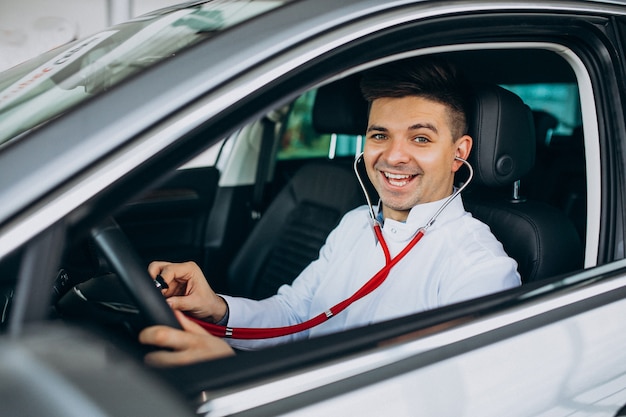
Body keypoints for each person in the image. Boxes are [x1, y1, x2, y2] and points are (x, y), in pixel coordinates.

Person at [138, 56, 521, 366]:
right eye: (379, 135)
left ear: (459, 152)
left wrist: (238, 375)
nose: (393, 156)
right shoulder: (356, 224)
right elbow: (296, 314)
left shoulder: (480, 269)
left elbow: (432, 397)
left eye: (420, 138)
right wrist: (218, 309)